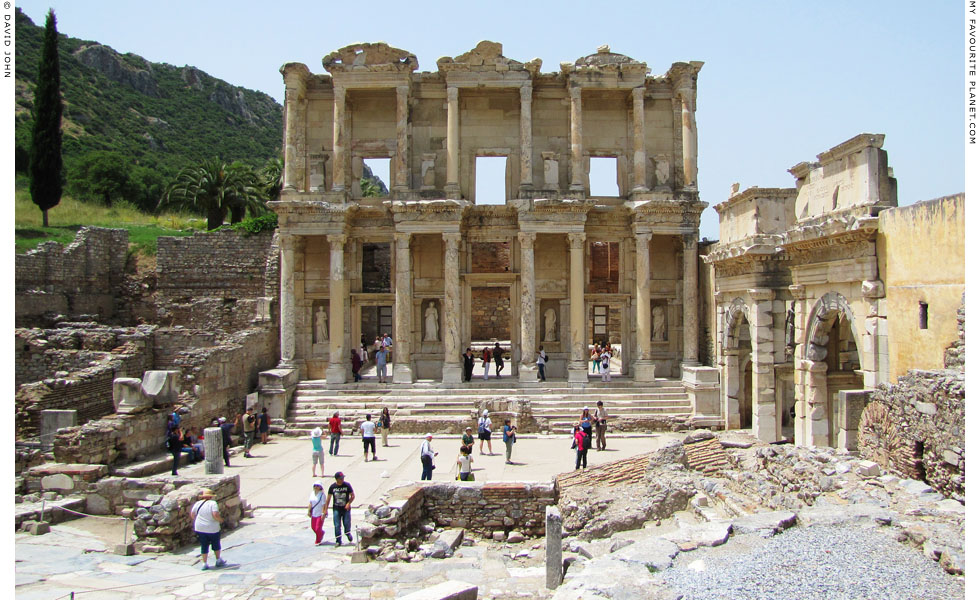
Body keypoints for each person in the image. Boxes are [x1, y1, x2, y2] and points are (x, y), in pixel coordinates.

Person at [192, 488, 225, 570]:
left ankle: (204, 563)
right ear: (211, 496)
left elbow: (192, 514)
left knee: (204, 545)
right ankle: (218, 560)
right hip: (212, 527)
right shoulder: (213, 503)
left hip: (200, 527)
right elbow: (215, 514)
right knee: (215, 543)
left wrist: (199, 521)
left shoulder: (198, 503)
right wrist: (221, 520)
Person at [327, 472, 355, 546]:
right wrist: (325, 509)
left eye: (343, 478)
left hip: (345, 508)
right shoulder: (332, 487)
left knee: (346, 523)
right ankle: (338, 540)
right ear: (337, 479)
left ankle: (347, 533)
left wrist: (348, 503)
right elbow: (328, 498)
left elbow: (352, 496)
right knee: (337, 525)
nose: (342, 480)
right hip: (336, 508)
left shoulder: (347, 485)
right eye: (341, 478)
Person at [308, 481, 327, 545]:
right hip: (314, 513)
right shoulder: (312, 493)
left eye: (318, 486)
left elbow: (323, 505)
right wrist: (309, 511)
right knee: (313, 527)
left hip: (319, 513)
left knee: (318, 528)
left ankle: (318, 540)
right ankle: (321, 533)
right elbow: (310, 503)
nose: (316, 487)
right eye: (315, 486)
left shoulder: (322, 495)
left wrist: (323, 513)